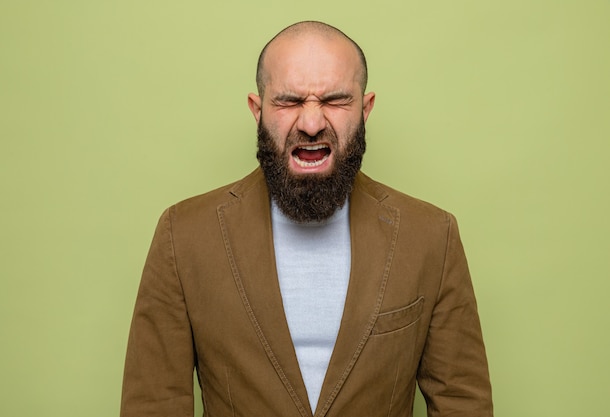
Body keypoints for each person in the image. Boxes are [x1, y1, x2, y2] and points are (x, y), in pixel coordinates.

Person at [121, 21, 493, 417]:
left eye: (334, 100)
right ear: (257, 109)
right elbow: (152, 405)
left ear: (365, 109)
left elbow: (462, 404)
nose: (312, 124)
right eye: (289, 101)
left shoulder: (432, 236)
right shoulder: (184, 236)